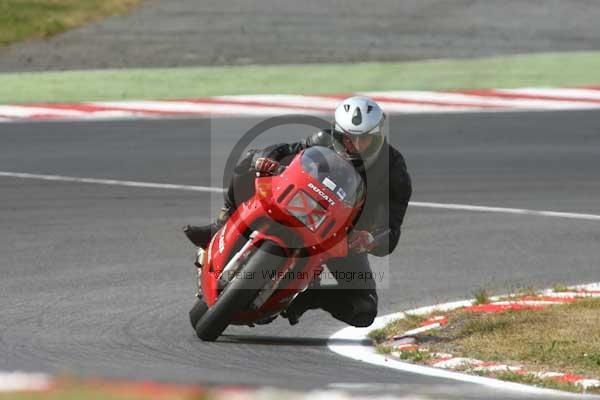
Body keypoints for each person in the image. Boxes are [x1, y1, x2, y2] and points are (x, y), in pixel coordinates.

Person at [184, 96, 412, 327]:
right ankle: (221, 223)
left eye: (365, 139)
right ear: (337, 132)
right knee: (250, 160)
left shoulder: (394, 172)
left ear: (378, 136)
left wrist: (370, 238)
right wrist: (267, 158)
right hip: (297, 204)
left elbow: (392, 231)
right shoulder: (323, 139)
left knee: (364, 309)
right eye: (348, 138)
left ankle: (308, 296)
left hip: (341, 235)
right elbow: (285, 150)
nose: (356, 145)